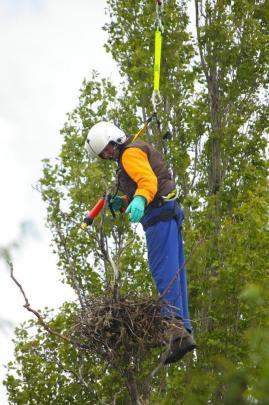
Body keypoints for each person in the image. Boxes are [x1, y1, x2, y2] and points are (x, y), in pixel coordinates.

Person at [85, 121, 196, 364]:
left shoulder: (131, 153)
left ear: (114, 139)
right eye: (103, 154)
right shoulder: (131, 154)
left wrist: (139, 200)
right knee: (176, 273)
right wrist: (125, 201)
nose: (107, 154)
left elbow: (147, 182)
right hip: (167, 212)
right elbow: (144, 184)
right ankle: (184, 332)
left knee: (164, 271)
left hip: (159, 216)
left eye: (107, 148)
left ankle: (174, 329)